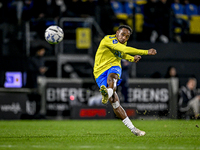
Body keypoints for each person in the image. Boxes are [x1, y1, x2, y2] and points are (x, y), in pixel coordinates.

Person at [93, 25, 157, 136]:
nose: (124, 38)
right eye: (123, 34)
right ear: (117, 32)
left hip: (114, 67)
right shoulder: (108, 39)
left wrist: (132, 58)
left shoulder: (122, 43)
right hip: (99, 72)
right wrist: (146, 52)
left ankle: (107, 92)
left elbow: (121, 54)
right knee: (115, 103)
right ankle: (133, 129)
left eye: (127, 37)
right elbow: (124, 50)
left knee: (113, 77)